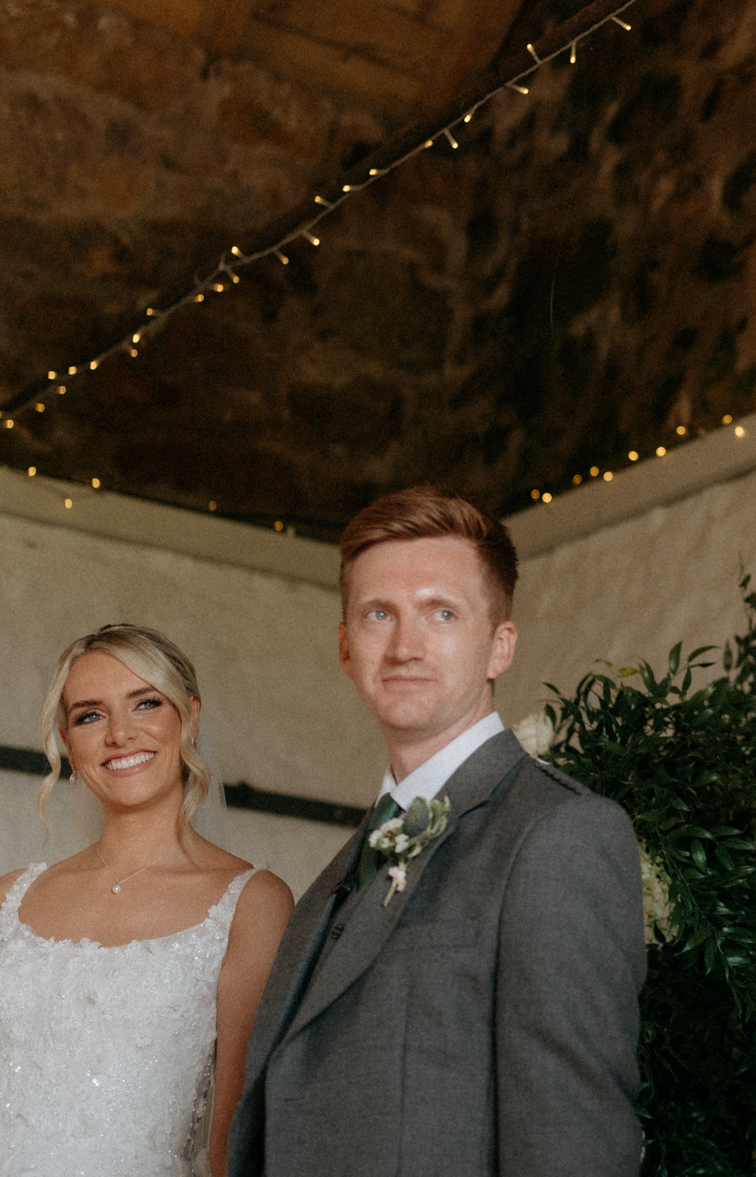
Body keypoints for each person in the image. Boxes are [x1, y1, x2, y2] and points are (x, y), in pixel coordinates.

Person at [227, 487, 644, 1177]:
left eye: (441, 613)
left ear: (500, 647)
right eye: (378, 614)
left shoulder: (558, 834)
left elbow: (572, 1142)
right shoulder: (340, 872)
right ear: (345, 647)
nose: (404, 647)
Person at [0, 624, 295, 1177]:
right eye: (90, 715)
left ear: (189, 717)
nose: (120, 734)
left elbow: (232, 1148)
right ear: (68, 742)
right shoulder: (7, 900)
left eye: (146, 703)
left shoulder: (252, 903)